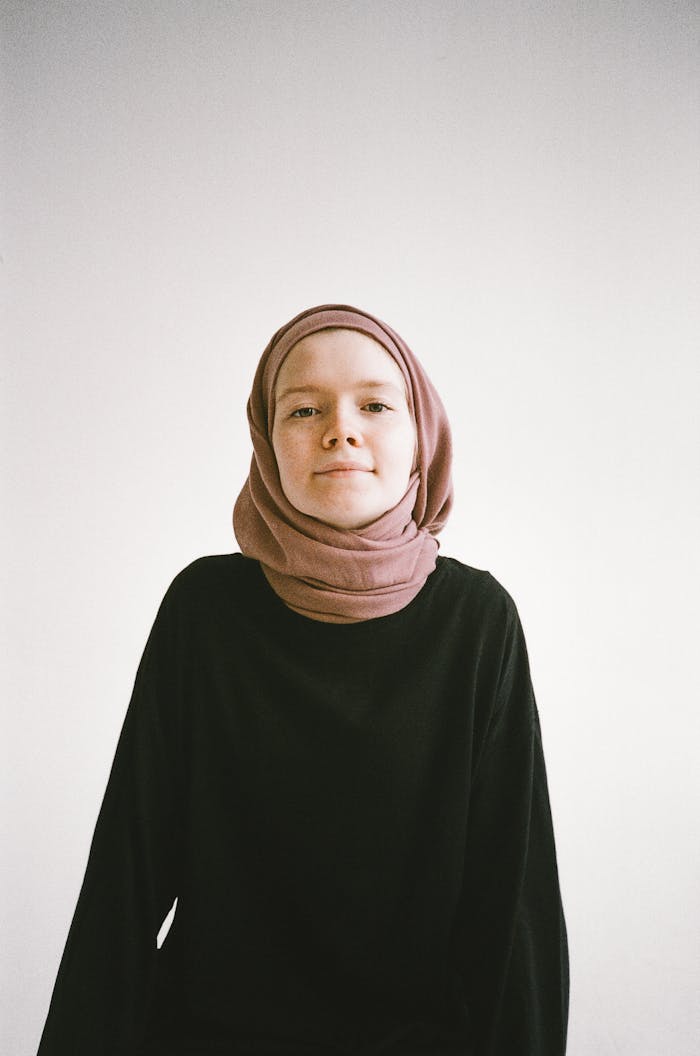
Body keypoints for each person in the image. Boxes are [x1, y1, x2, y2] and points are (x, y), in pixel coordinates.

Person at [37, 304, 569, 1056]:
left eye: (376, 405)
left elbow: (513, 907)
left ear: (423, 436)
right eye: (304, 408)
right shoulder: (205, 609)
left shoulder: (478, 621)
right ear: (265, 437)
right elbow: (128, 868)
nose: (340, 429)